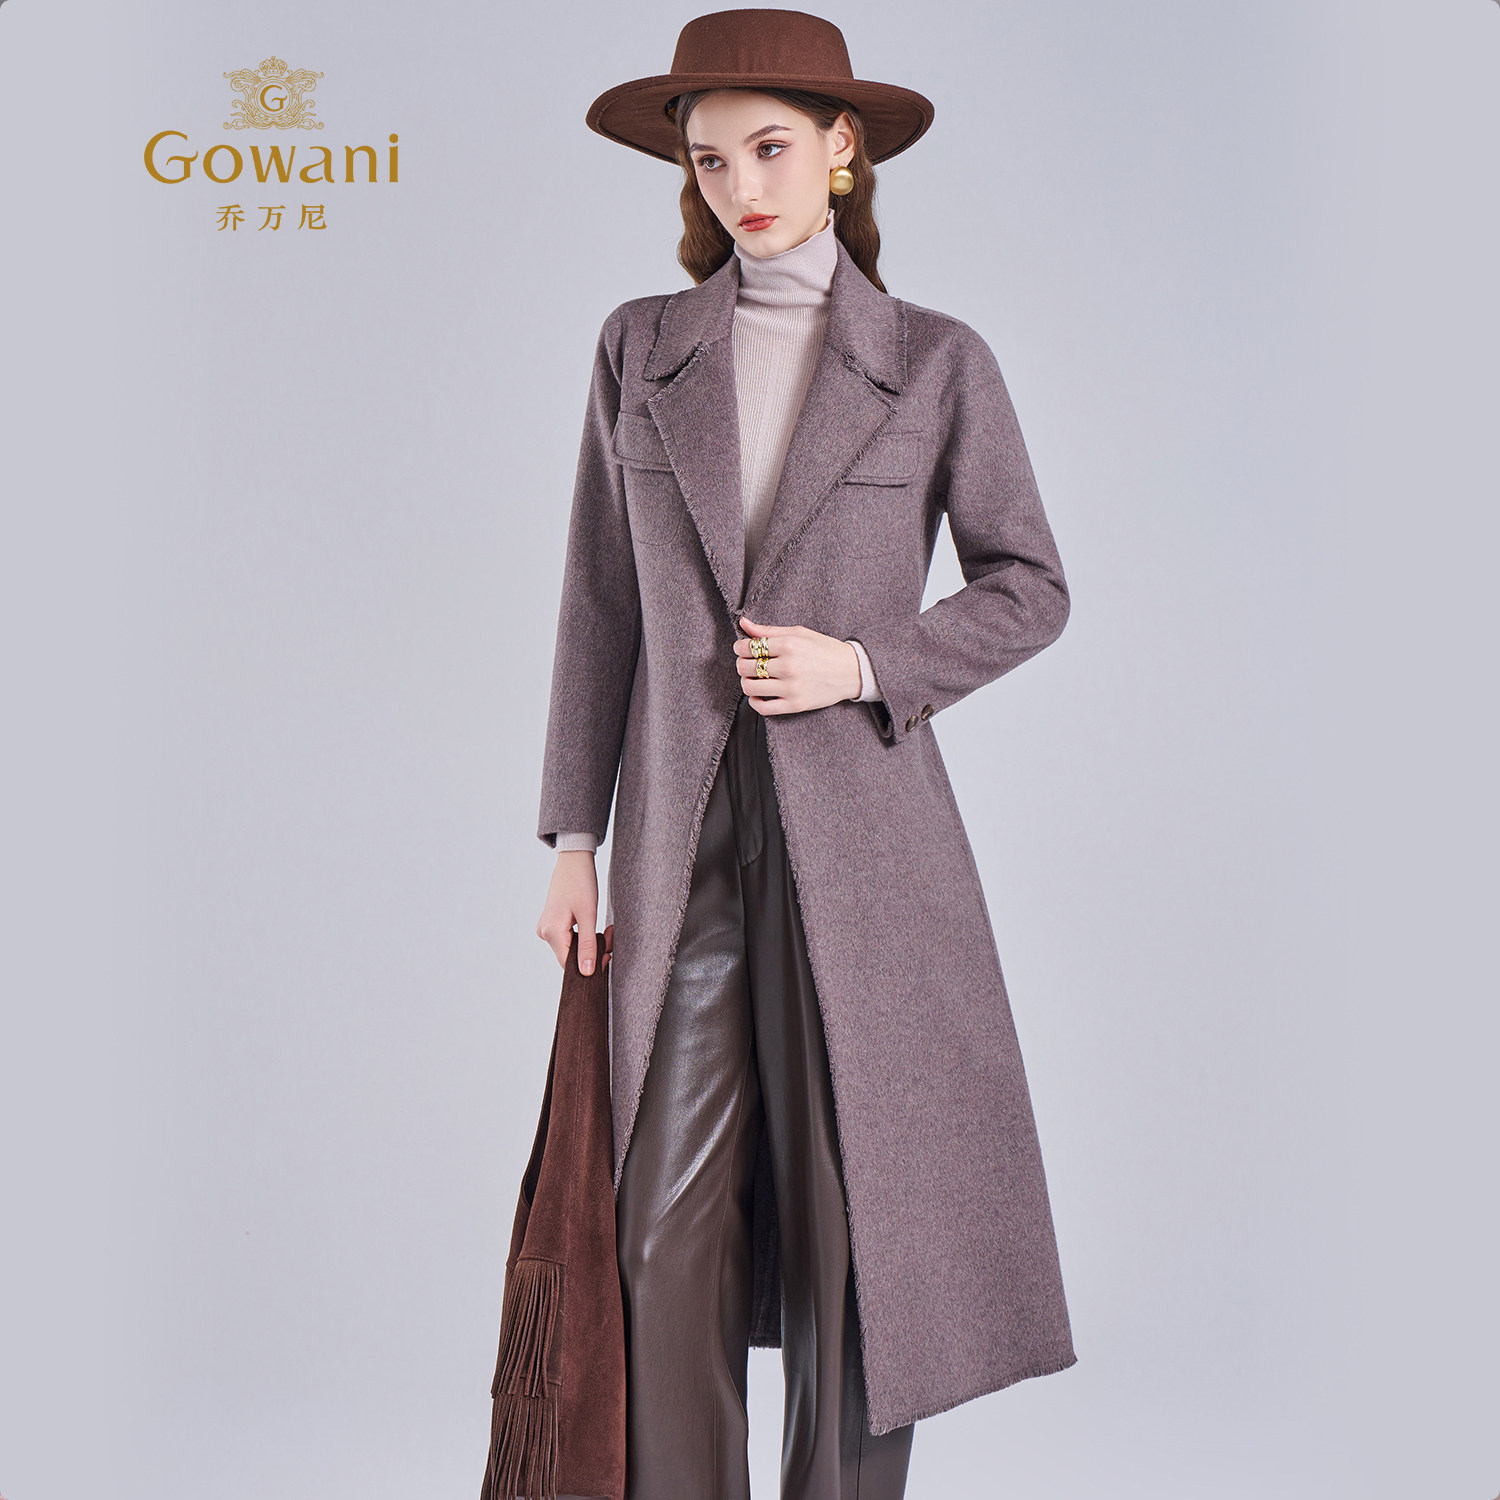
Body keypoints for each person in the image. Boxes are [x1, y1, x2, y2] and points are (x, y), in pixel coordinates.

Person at [533, 11, 1078, 1499]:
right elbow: (598, 599)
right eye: (711, 160)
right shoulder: (641, 348)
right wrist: (573, 837)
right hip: (682, 833)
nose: (742, 187)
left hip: (866, 841)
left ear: (842, 150)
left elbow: (1031, 586)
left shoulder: (937, 361)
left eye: (771, 148)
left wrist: (866, 663)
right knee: (658, 1231)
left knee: (858, 1234)